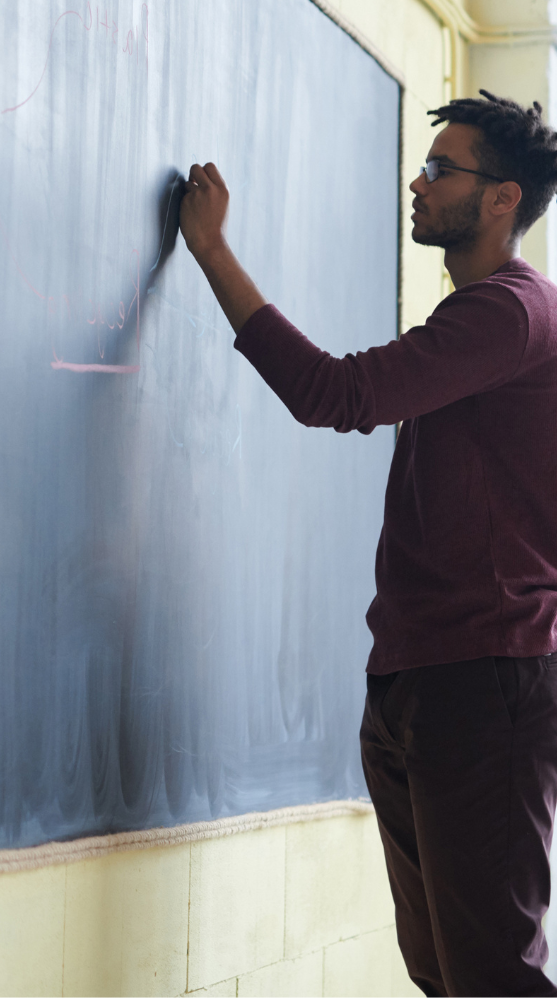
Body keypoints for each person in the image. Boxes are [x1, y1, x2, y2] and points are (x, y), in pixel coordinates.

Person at [179, 90, 557, 997]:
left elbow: (333, 396)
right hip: (420, 673)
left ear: (501, 198)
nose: (418, 183)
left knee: (493, 977)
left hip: (484, 673)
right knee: (445, 972)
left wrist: (213, 251)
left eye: (441, 168)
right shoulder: (483, 320)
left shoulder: (509, 313)